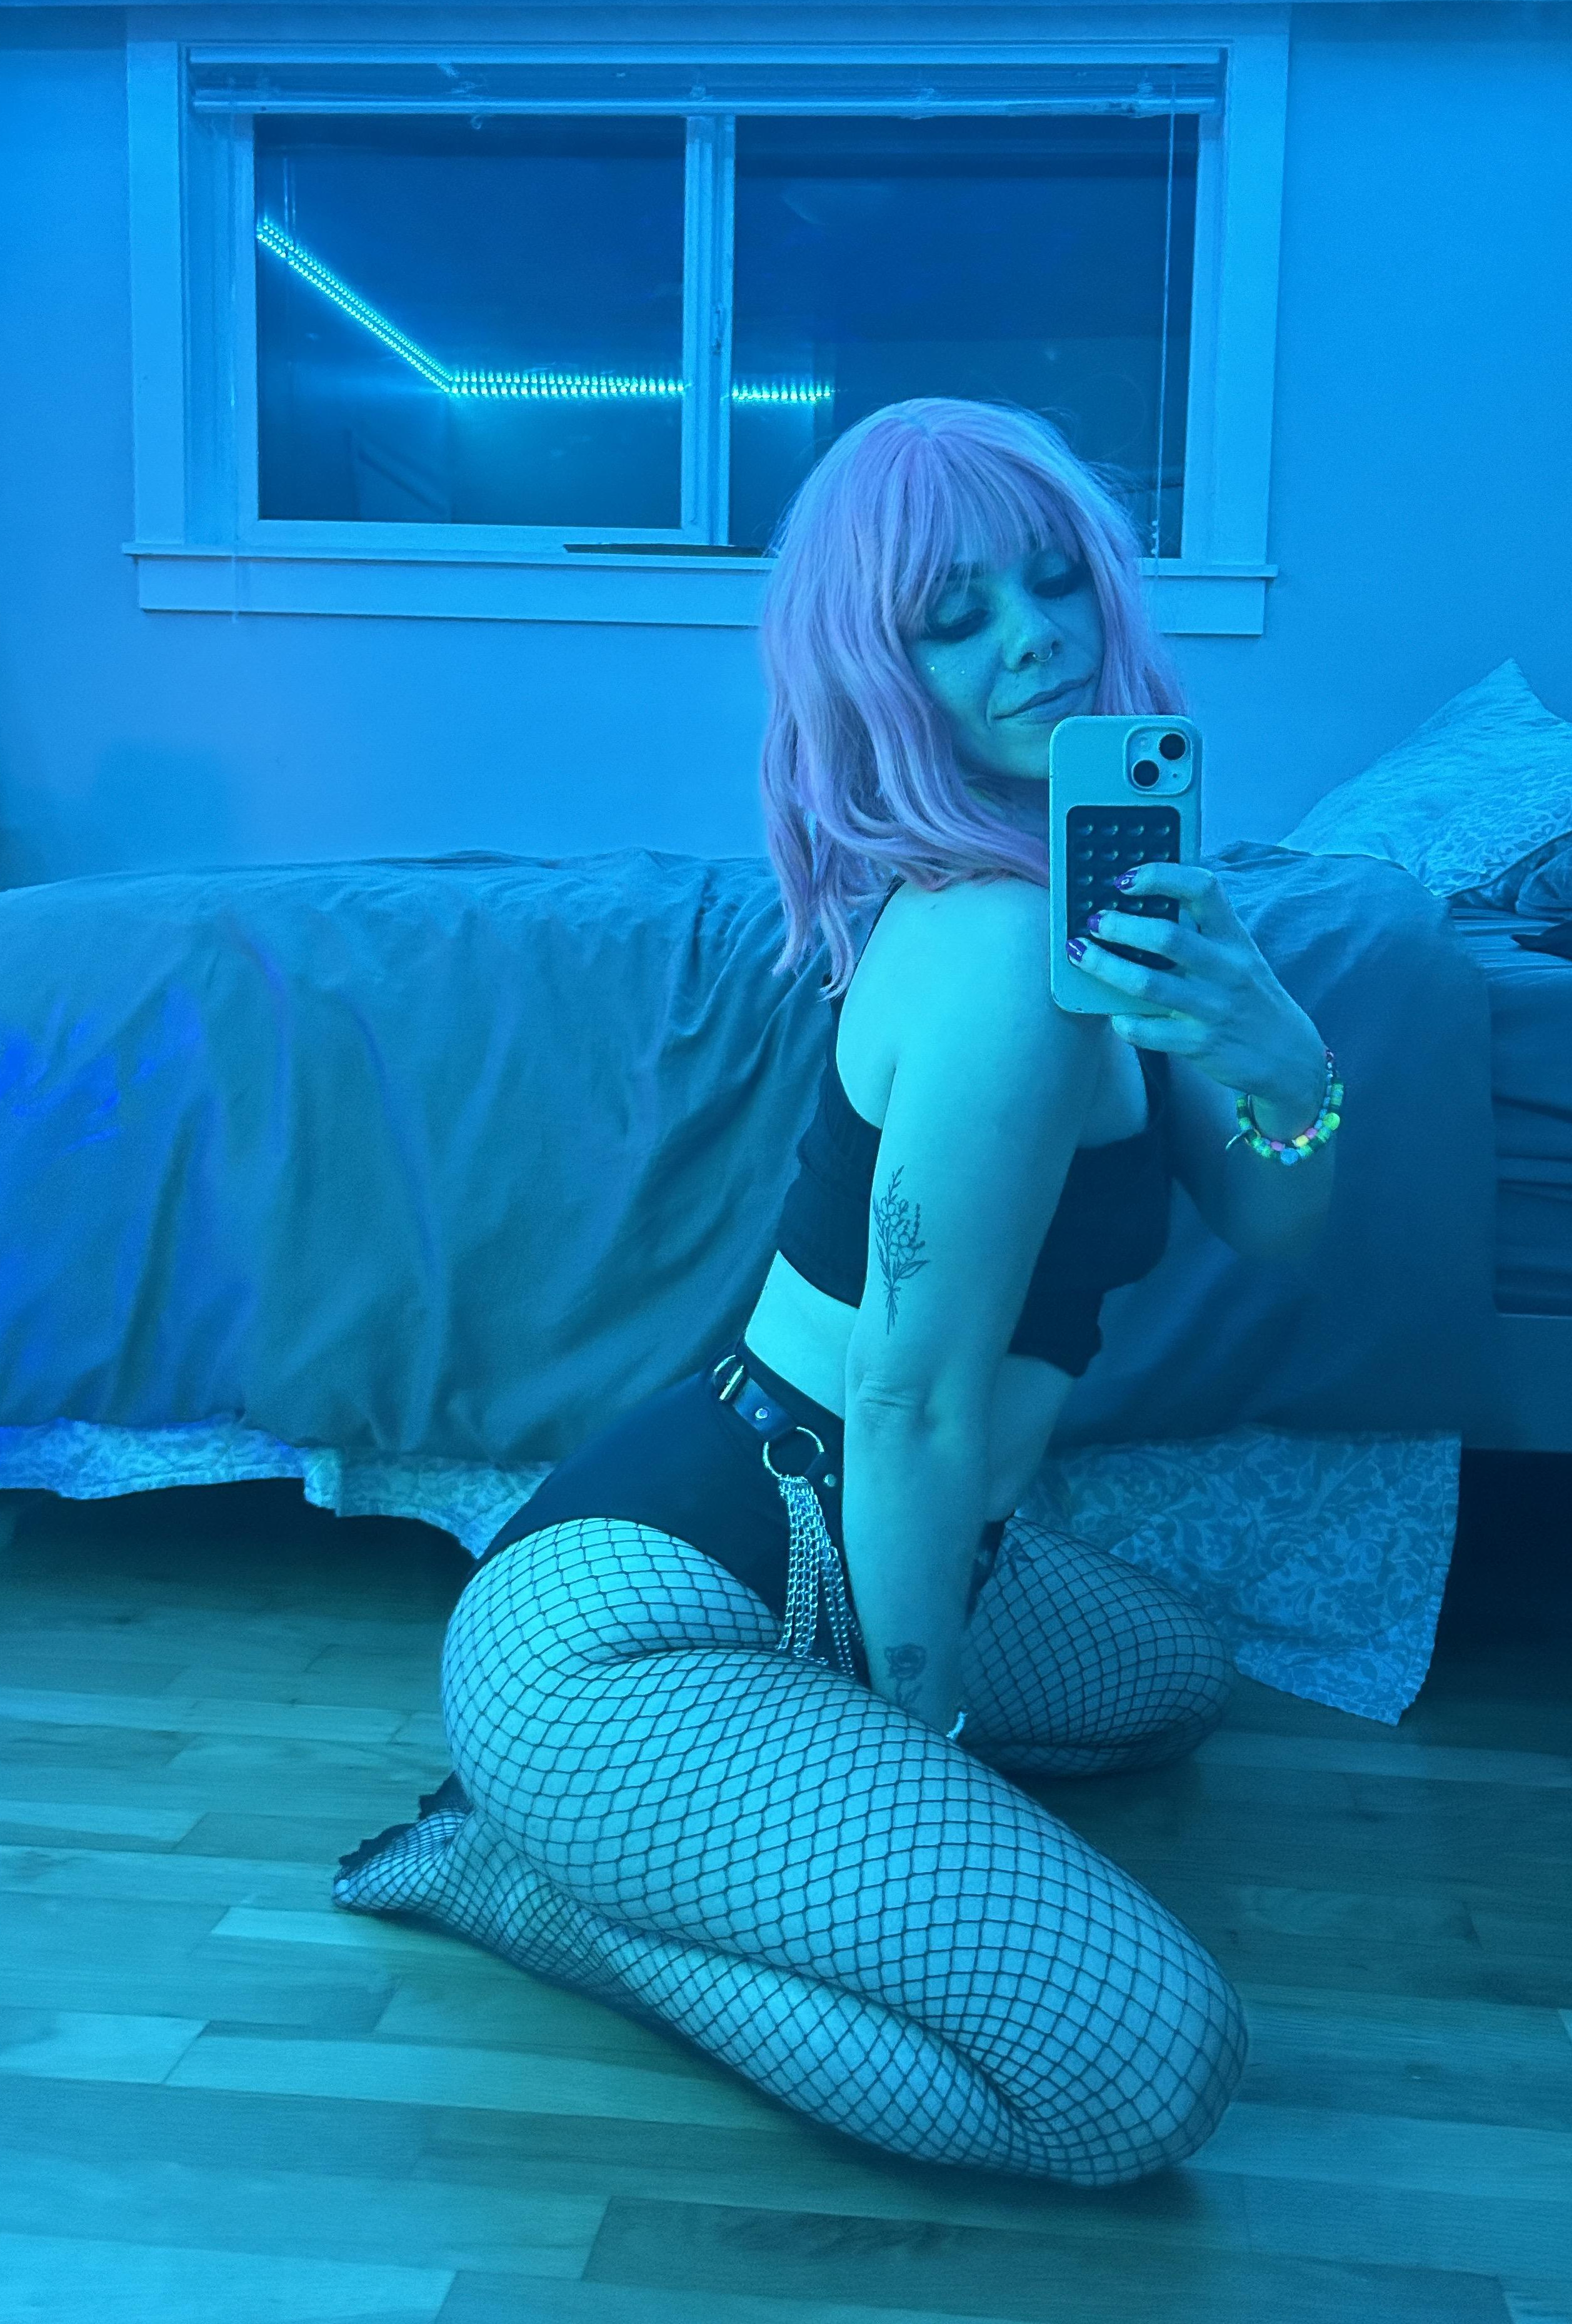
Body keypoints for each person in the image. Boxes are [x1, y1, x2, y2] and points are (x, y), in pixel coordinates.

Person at [332, 396, 1340, 2186]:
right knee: (1138, 2079)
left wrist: (1283, 1054)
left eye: (1056, 582)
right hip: (628, 1633)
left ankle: (655, 1831)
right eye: (956, 616)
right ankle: (521, 1875)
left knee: (1175, 1684)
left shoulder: (1101, 910)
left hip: (845, 1538)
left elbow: (1271, 1226)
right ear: (878, 671)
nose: (1035, 638)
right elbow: (913, 1399)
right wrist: (917, 1735)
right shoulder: (999, 955)